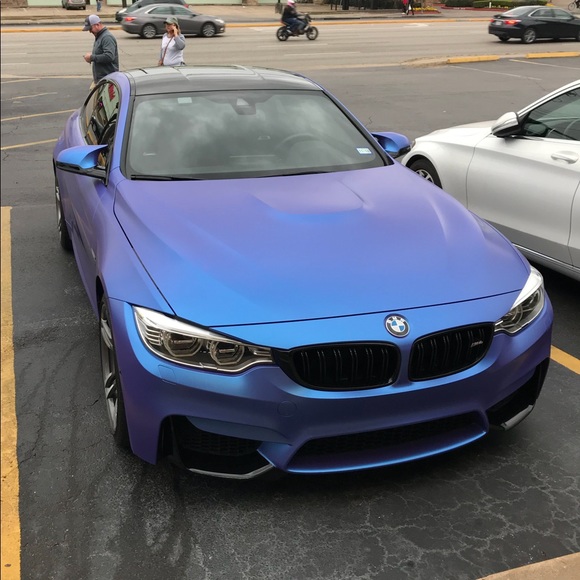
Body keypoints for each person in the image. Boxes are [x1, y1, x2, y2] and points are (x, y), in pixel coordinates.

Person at [82, 15, 119, 88]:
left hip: (107, 80)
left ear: (97, 25)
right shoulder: (99, 36)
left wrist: (92, 57)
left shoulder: (107, 37)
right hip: (101, 80)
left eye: (90, 29)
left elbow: (109, 56)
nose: (90, 32)